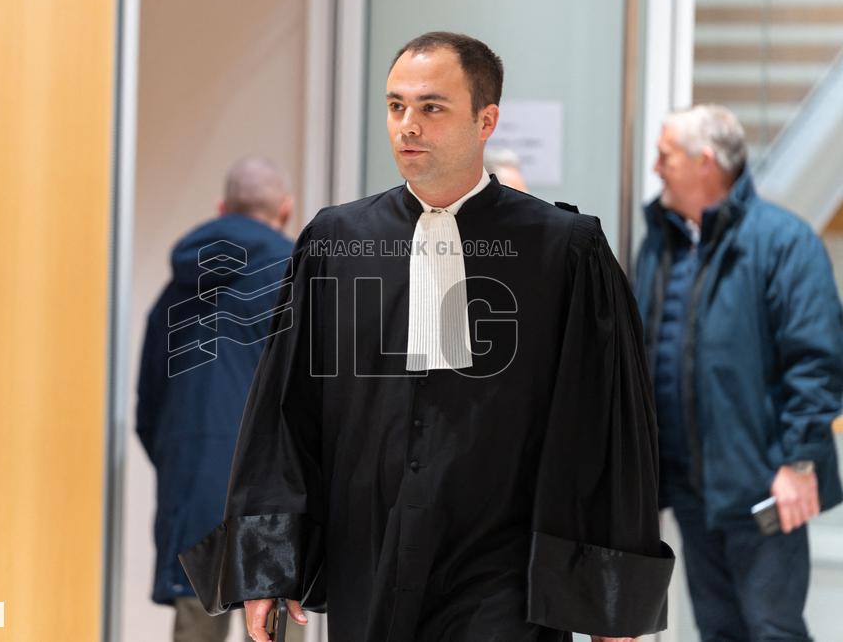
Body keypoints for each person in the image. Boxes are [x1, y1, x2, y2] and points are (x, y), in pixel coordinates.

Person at [182, 32, 674, 642]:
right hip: (370, 553)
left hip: (505, 570)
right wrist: (268, 563)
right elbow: (286, 411)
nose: (407, 125)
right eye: (396, 106)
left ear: (485, 119)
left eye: (431, 107)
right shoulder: (337, 243)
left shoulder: (564, 250)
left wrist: (608, 593)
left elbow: (604, 424)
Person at [633, 104, 843, 640]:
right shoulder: (659, 242)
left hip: (765, 485)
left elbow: (816, 360)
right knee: (718, 630)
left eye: (665, 155)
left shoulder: (784, 242)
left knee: (772, 628)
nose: (656, 167)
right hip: (688, 487)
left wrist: (799, 463)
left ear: (705, 162)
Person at [136, 157, 305, 642]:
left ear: (221, 208)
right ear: (285, 210)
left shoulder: (175, 291)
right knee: (275, 631)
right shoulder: (295, 275)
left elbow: (149, 410)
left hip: (194, 490)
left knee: (196, 630)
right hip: (274, 495)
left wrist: (185, 463)